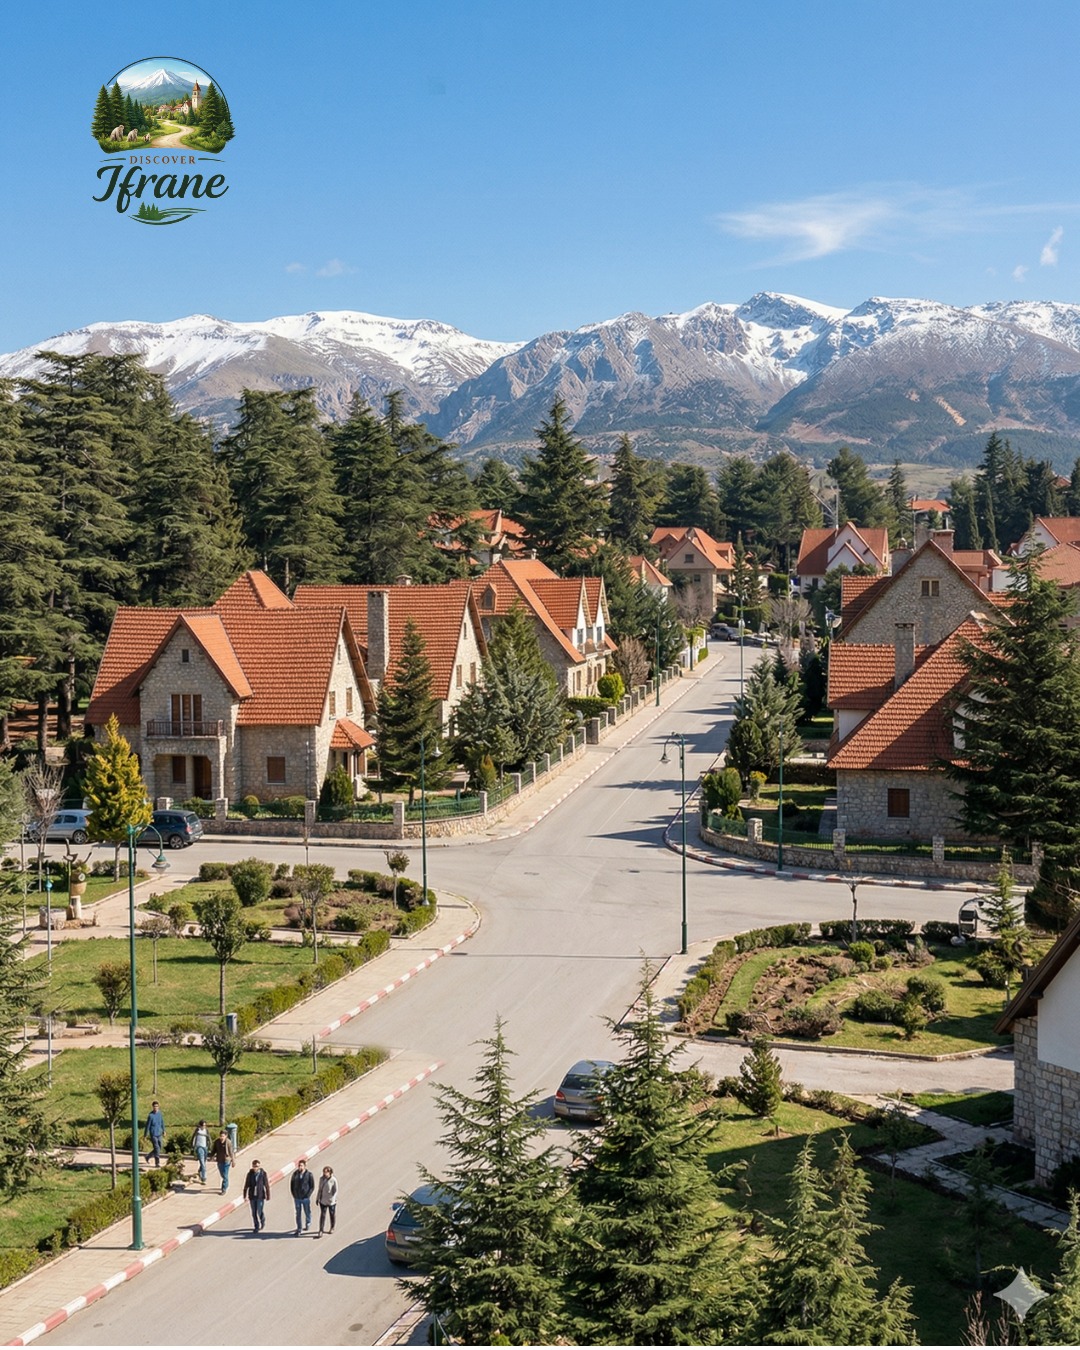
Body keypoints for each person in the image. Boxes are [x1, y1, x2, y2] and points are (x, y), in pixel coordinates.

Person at [243, 1159, 271, 1233]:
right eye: (254, 1166)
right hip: (252, 1196)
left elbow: (266, 1185)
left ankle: (262, 1220)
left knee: (259, 1210)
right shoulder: (250, 1174)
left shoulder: (263, 1174)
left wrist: (268, 1195)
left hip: (260, 1196)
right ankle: (256, 1226)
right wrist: (244, 1195)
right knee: (254, 1212)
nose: (256, 1168)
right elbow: (246, 1185)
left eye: (257, 1166)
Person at [290, 1158, 314, 1235]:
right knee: (298, 1213)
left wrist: (308, 1195)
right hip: (297, 1197)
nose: (300, 1167)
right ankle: (299, 1228)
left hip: (305, 1198)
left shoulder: (309, 1175)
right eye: (299, 1166)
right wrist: (294, 1194)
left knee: (307, 1211)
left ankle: (308, 1222)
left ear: (305, 1166)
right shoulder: (295, 1175)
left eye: (301, 1166)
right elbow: (292, 1185)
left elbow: (312, 1186)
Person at [316, 1165, 337, 1237]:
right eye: (324, 1172)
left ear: (330, 1173)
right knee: (323, 1215)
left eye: (326, 1172)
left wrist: (332, 1199)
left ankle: (332, 1227)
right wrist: (317, 1198)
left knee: (332, 1215)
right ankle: (321, 1230)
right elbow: (320, 1189)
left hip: (331, 1201)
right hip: (323, 1200)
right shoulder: (321, 1179)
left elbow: (335, 1190)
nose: (325, 1173)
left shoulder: (333, 1180)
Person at [212, 1129, 235, 1194]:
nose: (221, 1138)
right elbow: (214, 1150)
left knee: (225, 1175)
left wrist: (233, 1161)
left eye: (223, 1136)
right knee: (222, 1175)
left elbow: (231, 1152)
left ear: (226, 1136)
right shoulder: (217, 1142)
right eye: (220, 1136)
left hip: (226, 1161)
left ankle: (223, 1189)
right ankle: (226, 1183)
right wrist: (211, 1156)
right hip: (219, 1160)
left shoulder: (228, 1142)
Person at [145, 1100, 166, 1168]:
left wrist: (164, 1130)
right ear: (152, 1107)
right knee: (156, 1147)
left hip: (159, 1133)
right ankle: (157, 1162)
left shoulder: (160, 1114)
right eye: (154, 1106)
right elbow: (147, 1126)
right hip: (153, 1134)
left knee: (159, 1147)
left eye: (157, 1106)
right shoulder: (150, 1116)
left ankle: (148, 1156)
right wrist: (145, 1134)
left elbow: (162, 1122)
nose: (155, 1108)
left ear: (158, 1107)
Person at [191, 1119, 210, 1184]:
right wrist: (193, 1146)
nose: (204, 1127)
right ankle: (203, 1177)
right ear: (200, 1125)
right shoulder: (197, 1130)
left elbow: (209, 1138)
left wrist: (210, 1146)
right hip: (199, 1147)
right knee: (202, 1163)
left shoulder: (206, 1130)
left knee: (204, 1162)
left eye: (205, 1125)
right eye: (203, 1125)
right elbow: (193, 1138)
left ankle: (200, 1170)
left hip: (205, 1147)